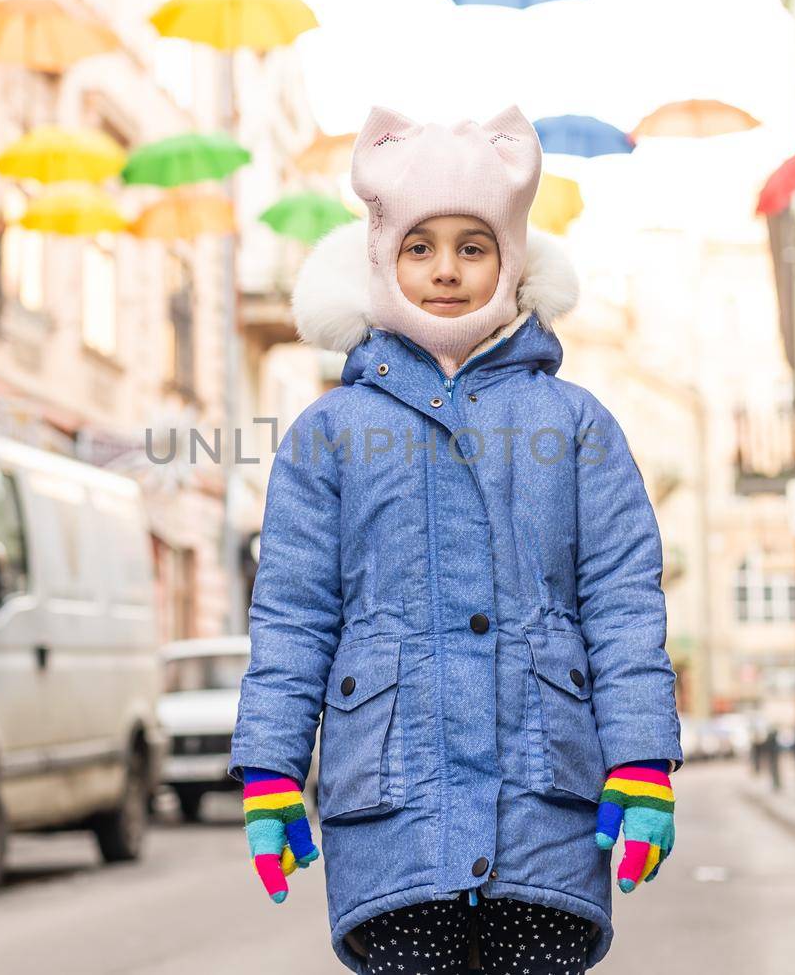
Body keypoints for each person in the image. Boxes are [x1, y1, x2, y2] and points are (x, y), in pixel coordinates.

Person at [227, 104, 682, 974]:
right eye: (419, 246)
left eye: (473, 246)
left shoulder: (575, 423)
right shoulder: (330, 433)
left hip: (543, 804)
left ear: (511, 260)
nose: (445, 269)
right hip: (392, 801)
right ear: (382, 259)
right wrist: (271, 769)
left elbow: (622, 599)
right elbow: (291, 613)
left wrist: (642, 759)